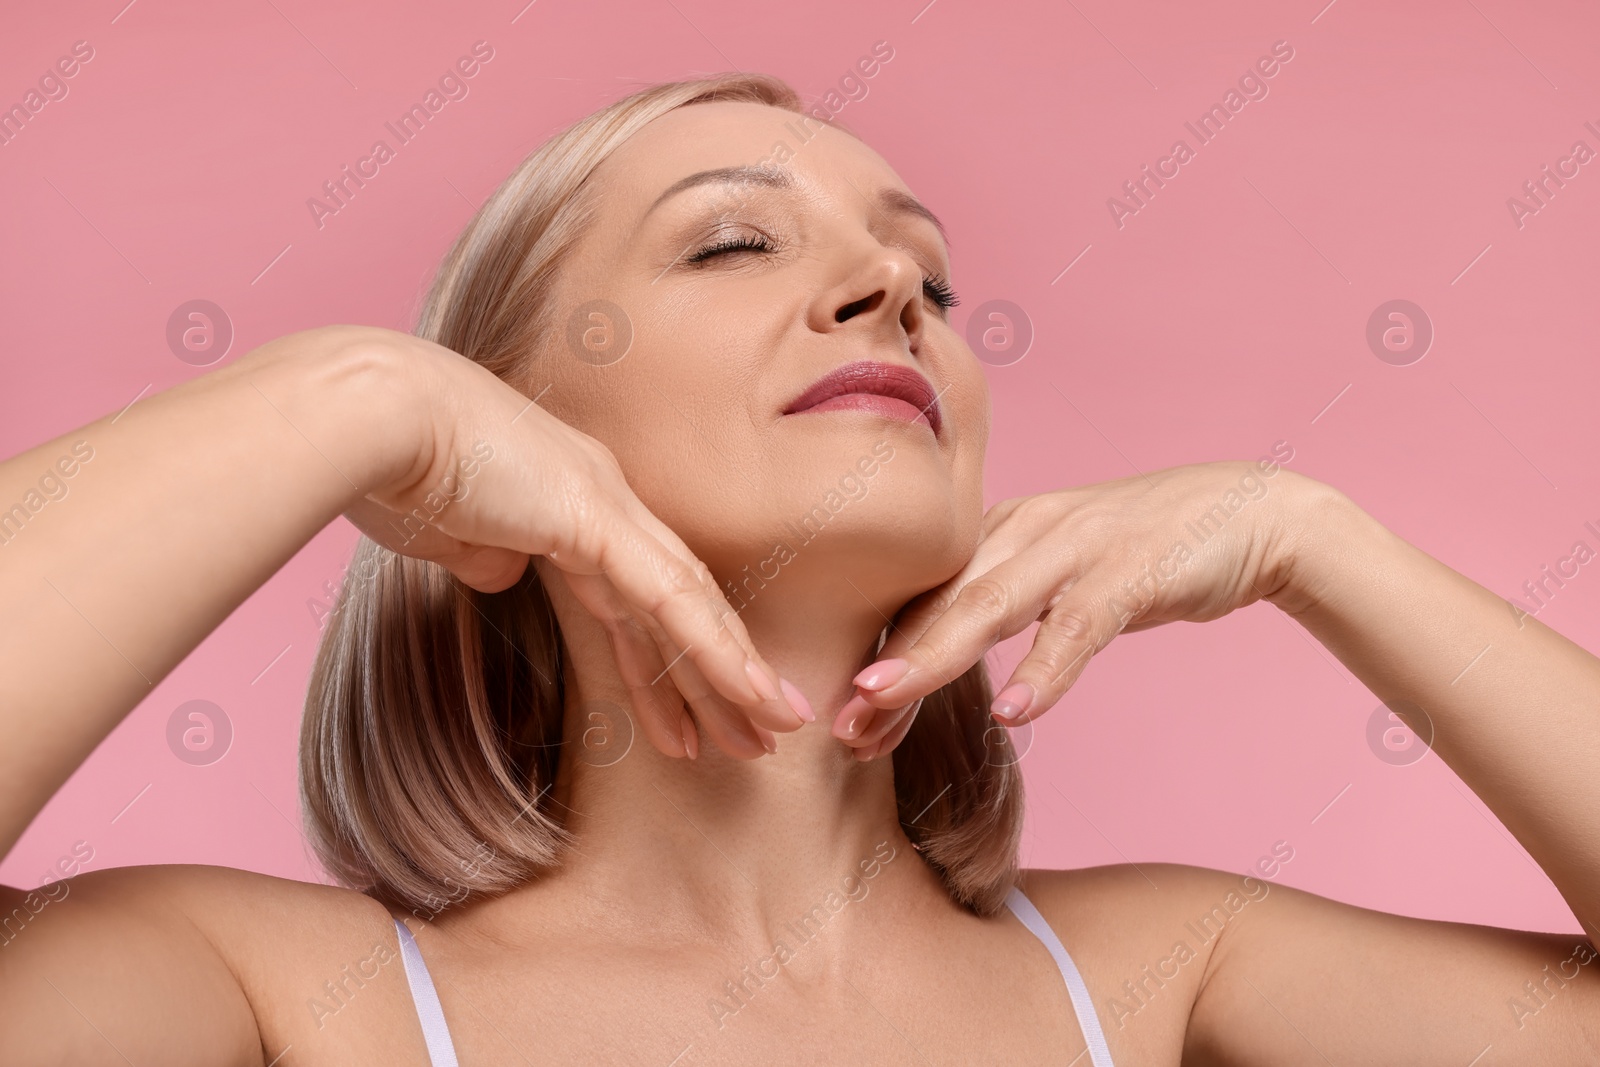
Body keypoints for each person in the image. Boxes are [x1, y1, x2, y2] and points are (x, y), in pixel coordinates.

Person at [1, 71, 1596, 1066]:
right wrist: (350, 398)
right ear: (502, 428)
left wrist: (1315, 539)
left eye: (933, 277)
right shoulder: (277, 998)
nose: (892, 286)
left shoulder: (1168, 979)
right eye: (732, 241)